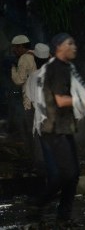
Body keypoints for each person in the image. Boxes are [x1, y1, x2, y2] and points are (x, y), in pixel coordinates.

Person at [29, 33, 85, 225]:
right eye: (69, 44)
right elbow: (60, 100)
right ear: (58, 48)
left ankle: (63, 215)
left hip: (63, 128)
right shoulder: (55, 69)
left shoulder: (66, 69)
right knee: (66, 175)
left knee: (73, 174)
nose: (74, 47)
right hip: (53, 129)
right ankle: (38, 204)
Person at [10, 35, 37, 169]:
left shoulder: (24, 58)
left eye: (15, 47)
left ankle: (37, 162)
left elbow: (19, 80)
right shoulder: (35, 56)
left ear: (21, 46)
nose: (14, 50)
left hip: (31, 103)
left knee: (32, 133)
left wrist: (13, 69)